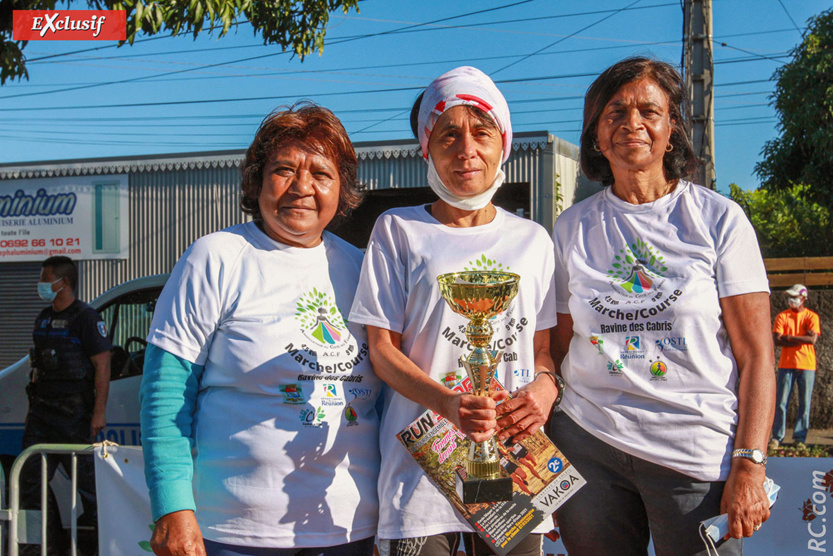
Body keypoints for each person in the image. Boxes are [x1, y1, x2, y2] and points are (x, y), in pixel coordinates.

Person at [549, 57, 775, 556]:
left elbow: (758, 356)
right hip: (589, 447)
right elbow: (559, 347)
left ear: (672, 128)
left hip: (694, 453)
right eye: (615, 112)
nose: (632, 123)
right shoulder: (571, 228)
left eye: (649, 110)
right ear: (595, 134)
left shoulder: (719, 221)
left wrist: (750, 463)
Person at [140, 103, 381, 556]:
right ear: (256, 180)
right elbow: (166, 395)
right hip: (235, 532)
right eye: (284, 169)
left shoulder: (365, 268)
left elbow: (385, 397)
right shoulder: (215, 258)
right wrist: (172, 507)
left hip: (351, 527)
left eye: (321, 174)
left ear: (342, 188)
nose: (302, 188)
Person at [349, 66, 559, 556]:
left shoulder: (533, 241)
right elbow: (381, 350)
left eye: (481, 133)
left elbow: (545, 349)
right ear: (427, 147)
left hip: (512, 466)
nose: (466, 150)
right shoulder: (397, 231)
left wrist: (546, 388)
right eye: (449, 135)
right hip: (419, 472)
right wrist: (447, 404)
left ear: (502, 143)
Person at [21, 256, 112, 556]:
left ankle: (104, 544)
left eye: (46, 277)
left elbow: (102, 367)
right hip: (41, 415)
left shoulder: (86, 318)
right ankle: (33, 546)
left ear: (65, 282)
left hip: (74, 416)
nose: (42, 284)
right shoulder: (43, 318)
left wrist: (98, 412)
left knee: (90, 488)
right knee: (28, 484)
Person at [770, 283, 821, 448]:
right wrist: (800, 338)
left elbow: (812, 340)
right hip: (786, 364)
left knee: (804, 404)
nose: (791, 300)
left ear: (803, 298)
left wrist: (789, 337)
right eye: (790, 297)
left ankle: (800, 439)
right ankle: (777, 437)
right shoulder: (782, 316)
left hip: (807, 365)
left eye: (795, 296)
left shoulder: (812, 317)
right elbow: (777, 340)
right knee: (781, 403)